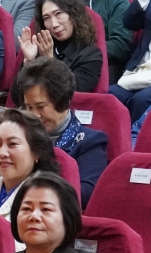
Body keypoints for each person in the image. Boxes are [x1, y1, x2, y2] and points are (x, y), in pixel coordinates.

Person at [14, 57, 108, 205]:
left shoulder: (90, 142)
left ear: (63, 101)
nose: (34, 115)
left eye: (41, 107)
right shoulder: (19, 136)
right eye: (29, 107)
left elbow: (84, 194)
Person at [19, 0, 106, 103]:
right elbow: (17, 97)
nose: (54, 24)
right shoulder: (38, 48)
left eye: (58, 13)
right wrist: (29, 63)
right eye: (46, 18)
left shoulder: (91, 54)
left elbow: (71, 95)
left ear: (73, 14)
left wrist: (50, 61)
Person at [0, 110, 57, 220]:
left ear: (36, 152)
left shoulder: (48, 197)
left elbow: (27, 237)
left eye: (12, 144)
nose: (2, 153)